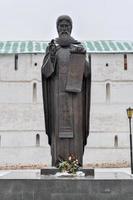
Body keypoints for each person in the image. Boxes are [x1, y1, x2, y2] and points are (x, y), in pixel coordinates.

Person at [41, 15, 91, 166]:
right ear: (57, 28)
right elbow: (46, 73)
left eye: (66, 26)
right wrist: (51, 57)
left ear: (71, 28)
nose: (64, 29)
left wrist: (82, 58)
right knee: (58, 130)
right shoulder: (53, 49)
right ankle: (59, 162)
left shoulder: (77, 49)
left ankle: (75, 162)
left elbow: (86, 73)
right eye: (61, 26)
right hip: (57, 97)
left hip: (75, 100)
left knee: (75, 130)